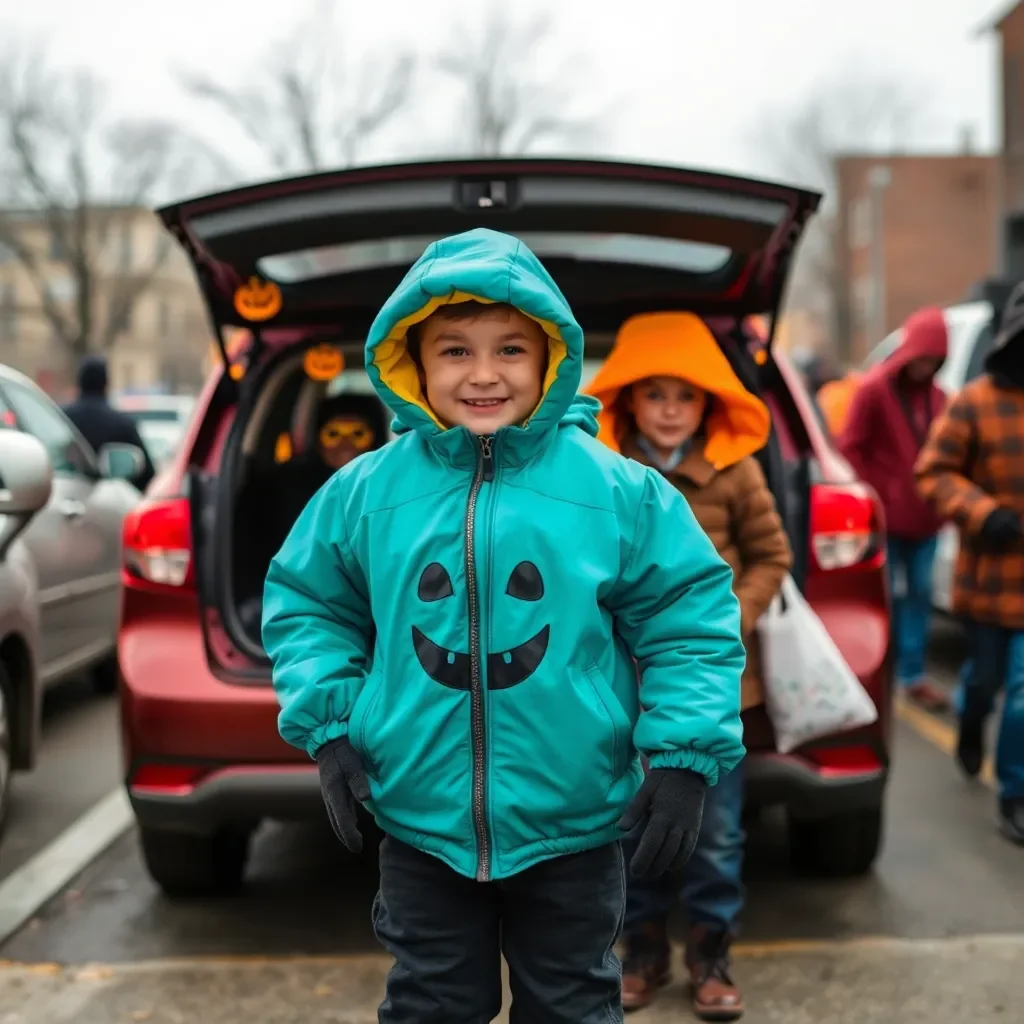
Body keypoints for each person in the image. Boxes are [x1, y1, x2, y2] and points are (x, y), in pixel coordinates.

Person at [261, 228, 747, 1023]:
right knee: (431, 1003)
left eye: (511, 350)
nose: (484, 374)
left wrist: (685, 754)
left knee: (572, 1002)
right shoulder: (364, 493)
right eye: (455, 351)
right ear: (410, 362)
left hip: (577, 821)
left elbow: (688, 620)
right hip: (421, 818)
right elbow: (310, 604)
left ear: (552, 357)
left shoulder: (618, 491)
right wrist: (332, 725)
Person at [585, 312, 792, 1019]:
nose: (671, 410)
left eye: (687, 396)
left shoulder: (736, 474)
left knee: (716, 831)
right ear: (628, 402)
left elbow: (771, 556)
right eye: (655, 394)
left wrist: (733, 616)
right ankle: (641, 951)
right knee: (631, 824)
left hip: (712, 690)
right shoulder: (602, 478)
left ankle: (711, 954)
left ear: (708, 405)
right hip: (627, 688)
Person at [915, 282, 1024, 844]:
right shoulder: (976, 401)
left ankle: (1015, 791)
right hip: (989, 578)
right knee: (986, 681)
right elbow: (932, 473)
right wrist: (982, 511)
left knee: (1023, 692)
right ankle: (969, 718)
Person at [838, 308, 949, 711]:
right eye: (922, 356)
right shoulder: (873, 391)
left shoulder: (940, 399)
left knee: (919, 594)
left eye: (934, 360)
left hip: (927, 520)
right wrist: (875, 494)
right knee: (886, 597)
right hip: (885, 519)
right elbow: (850, 446)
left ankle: (912, 673)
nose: (925, 366)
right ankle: (880, 669)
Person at [61, 355, 156, 491]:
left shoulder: (60, 420)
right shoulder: (123, 424)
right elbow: (146, 474)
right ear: (106, 384)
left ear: (79, 383)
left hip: (61, 493)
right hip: (112, 502)